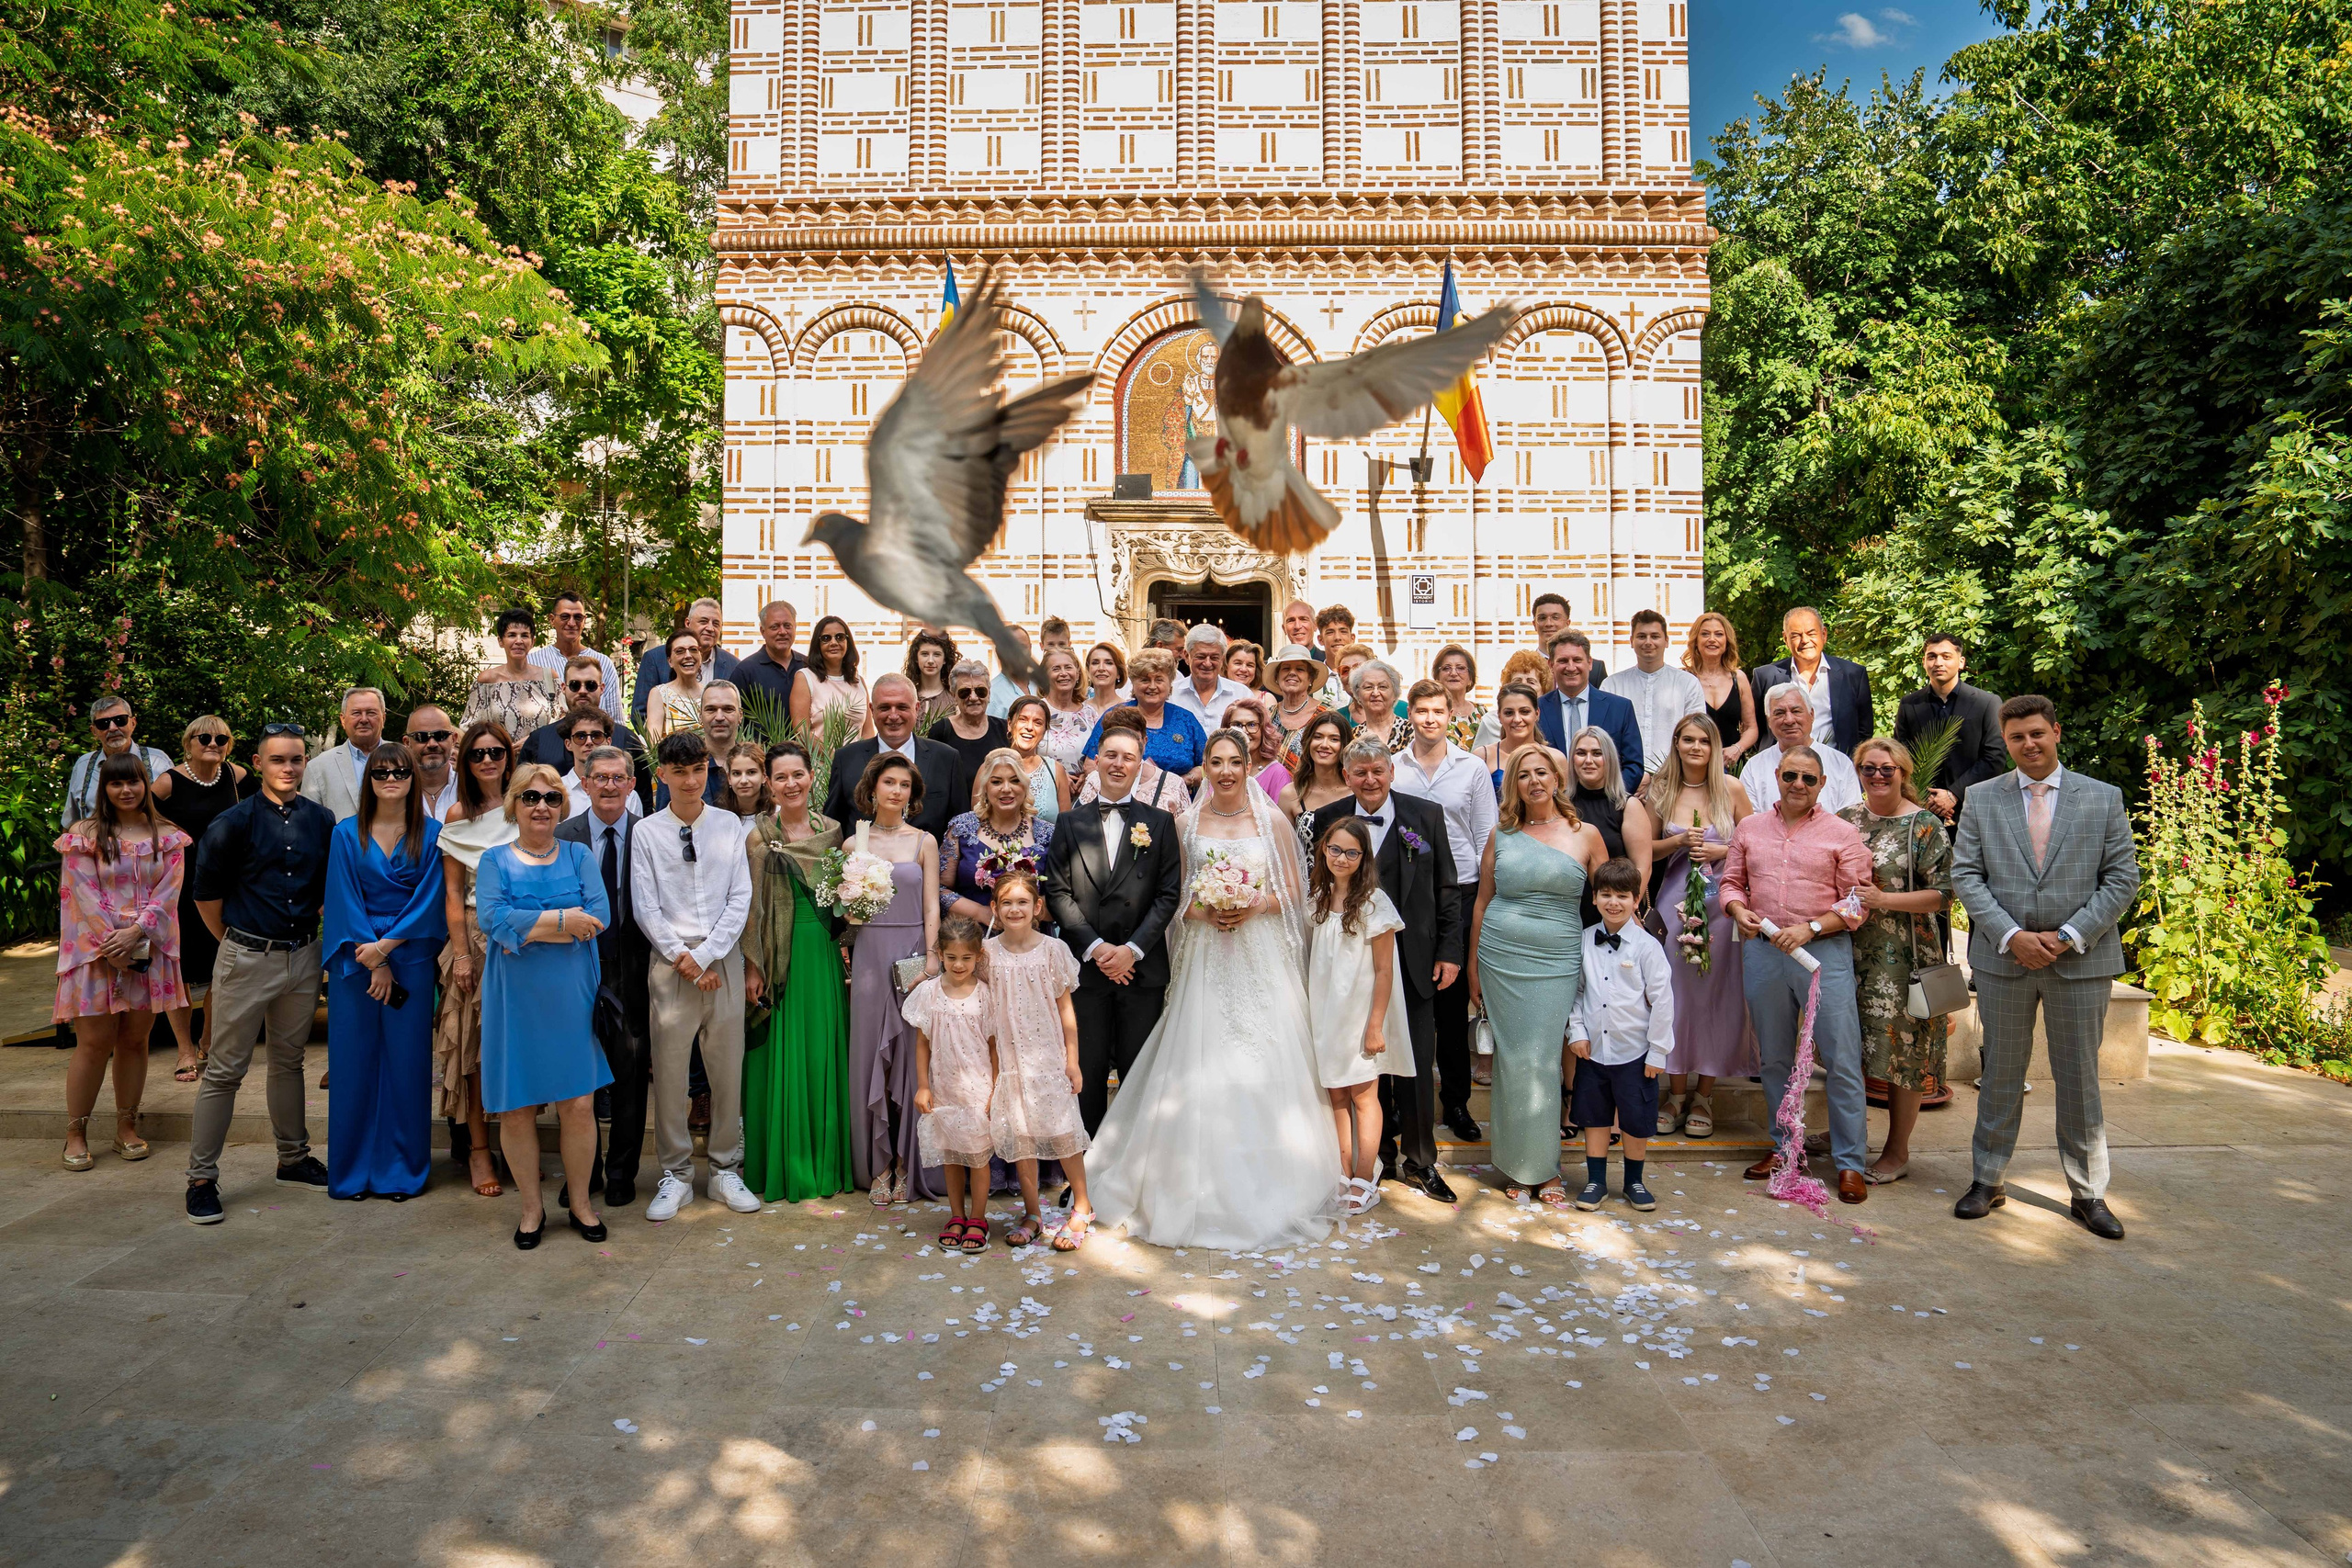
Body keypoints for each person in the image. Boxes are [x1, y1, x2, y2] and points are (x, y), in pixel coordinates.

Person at [1088, 730, 1347, 1248]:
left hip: (1259, 954)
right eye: (1216, 762)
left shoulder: (1271, 820)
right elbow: (1171, 895)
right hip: (1205, 952)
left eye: (1235, 762)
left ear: (1249, 766)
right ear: (1203, 767)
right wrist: (1202, 909)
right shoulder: (1184, 824)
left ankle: (1277, 1178)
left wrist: (1252, 905)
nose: (1226, 771)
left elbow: (1293, 894)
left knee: (1263, 1056)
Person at [1950, 695, 2140, 1240]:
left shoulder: (2102, 798)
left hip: (2079, 961)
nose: (2029, 744)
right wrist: (2011, 936)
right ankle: (1987, 1180)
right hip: (2004, 960)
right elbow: (1967, 875)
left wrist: (2067, 935)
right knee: (2001, 1075)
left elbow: (2121, 879)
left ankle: (2088, 1193)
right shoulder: (1983, 799)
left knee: (2079, 1079)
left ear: (2056, 731)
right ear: (2006, 742)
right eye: (2017, 738)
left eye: (2037, 733)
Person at [183, 722, 336, 1224]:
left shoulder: (323, 821)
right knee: (225, 1070)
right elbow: (205, 896)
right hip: (246, 956)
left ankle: (292, 1157)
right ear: (259, 762)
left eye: (296, 759)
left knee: (289, 1063)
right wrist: (233, 941)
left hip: (302, 957)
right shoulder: (232, 822)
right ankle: (201, 1178)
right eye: (278, 760)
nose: (288, 768)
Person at [1308, 736, 1464, 1203]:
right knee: (1356, 1072)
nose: (1370, 780)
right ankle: (1371, 1163)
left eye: (1378, 770)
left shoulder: (1425, 815)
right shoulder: (1327, 818)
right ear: (1347, 776)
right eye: (1360, 772)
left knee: (1412, 1066)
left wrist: (1450, 951)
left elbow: (1447, 888)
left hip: (1414, 961)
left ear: (1392, 772)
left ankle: (1421, 1163)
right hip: (1348, 970)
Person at [1718, 743, 1874, 1204]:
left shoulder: (1843, 834)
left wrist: (1811, 928)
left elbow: (1857, 901)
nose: (1799, 785)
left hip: (1824, 953)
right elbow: (1731, 881)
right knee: (1774, 1059)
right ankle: (1785, 1148)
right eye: (1790, 776)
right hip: (1764, 953)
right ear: (1777, 778)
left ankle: (1850, 1163)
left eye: (1808, 778)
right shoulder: (1749, 827)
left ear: (1822, 784)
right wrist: (1736, 908)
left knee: (1842, 1058)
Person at [476, 763, 614, 1247]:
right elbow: (491, 918)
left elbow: (598, 917)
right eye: (531, 797)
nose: (541, 807)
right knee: (517, 1108)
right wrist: (561, 918)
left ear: (563, 807)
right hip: (514, 1001)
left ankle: (580, 1205)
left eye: (552, 799)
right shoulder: (494, 860)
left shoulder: (579, 855)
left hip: (571, 997)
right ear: (514, 804)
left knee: (578, 1105)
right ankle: (531, 1210)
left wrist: (527, 925)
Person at [1469, 746, 1608, 1201]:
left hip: (1556, 959)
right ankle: (1515, 1165)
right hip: (1500, 955)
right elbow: (1483, 902)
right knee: (1511, 1061)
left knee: (1544, 1060)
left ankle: (1544, 1167)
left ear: (1557, 779)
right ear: (1514, 785)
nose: (1533, 781)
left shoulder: (1584, 833)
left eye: (1541, 772)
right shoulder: (1501, 834)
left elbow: (1611, 897)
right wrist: (1472, 964)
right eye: (1523, 774)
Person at [631, 733, 760, 1222]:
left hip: (720, 959)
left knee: (727, 1070)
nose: (690, 781)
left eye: (699, 770)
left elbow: (740, 897)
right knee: (668, 1074)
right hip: (670, 964)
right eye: (679, 772)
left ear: (710, 771)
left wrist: (707, 956)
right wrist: (682, 957)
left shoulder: (728, 825)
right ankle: (676, 1174)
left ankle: (726, 1168)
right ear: (662, 774)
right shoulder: (647, 831)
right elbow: (645, 905)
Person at [1040, 721, 1184, 1134]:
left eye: (1129, 758)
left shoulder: (1159, 823)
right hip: (1087, 970)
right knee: (1086, 1070)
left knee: (1138, 1071)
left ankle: (1133, 1168)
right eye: (1111, 756)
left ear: (1141, 765)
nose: (1119, 764)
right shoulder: (1071, 823)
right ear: (1096, 761)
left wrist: (1131, 950)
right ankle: (1085, 1169)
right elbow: (1058, 893)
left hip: (1142, 969)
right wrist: (1099, 949)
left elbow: (1167, 895)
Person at [322, 741, 447, 1200]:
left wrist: (387, 951)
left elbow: (431, 899)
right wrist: (370, 954)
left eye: (400, 772)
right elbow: (342, 895)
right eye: (381, 773)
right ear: (368, 780)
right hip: (355, 959)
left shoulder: (432, 834)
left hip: (409, 956)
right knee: (353, 1066)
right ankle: (351, 1172)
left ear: (413, 779)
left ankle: (401, 1171)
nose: (391, 779)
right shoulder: (344, 833)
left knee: (406, 1066)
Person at [55, 755, 189, 1169]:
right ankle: (75, 1134)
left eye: (133, 782)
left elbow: (170, 892)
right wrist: (114, 944)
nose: (126, 790)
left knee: (135, 1041)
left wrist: (137, 934)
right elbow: (81, 891)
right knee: (93, 1044)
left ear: (146, 784)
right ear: (104, 789)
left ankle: (126, 1128)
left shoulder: (167, 836)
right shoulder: (85, 835)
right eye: (117, 784)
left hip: (147, 951)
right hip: (96, 954)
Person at [739, 742, 854, 1203]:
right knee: (779, 1054)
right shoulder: (758, 836)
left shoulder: (833, 832)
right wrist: (753, 967)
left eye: (798, 775)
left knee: (819, 1050)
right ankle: (783, 1164)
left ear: (812, 777)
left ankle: (823, 1162)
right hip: (775, 956)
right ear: (769, 783)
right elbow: (751, 907)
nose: (790, 784)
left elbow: (843, 897)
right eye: (780, 777)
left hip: (821, 952)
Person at [1838, 738, 1954, 1185]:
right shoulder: (1846, 819)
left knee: (1903, 1052)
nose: (1878, 776)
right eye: (1869, 768)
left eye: (1887, 769)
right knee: (1847, 1047)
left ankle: (1897, 1149)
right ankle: (1847, 1133)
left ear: (1903, 773)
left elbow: (1945, 895)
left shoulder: (1923, 826)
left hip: (1902, 956)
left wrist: (1884, 898)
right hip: (1846, 949)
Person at [1640, 713, 1758, 1140]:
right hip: (1675, 906)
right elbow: (1644, 849)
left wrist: (1718, 849)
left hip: (1721, 906)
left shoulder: (1731, 789)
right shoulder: (1661, 790)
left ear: (1714, 747)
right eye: (1687, 740)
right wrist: (1678, 843)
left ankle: (1704, 1093)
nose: (1695, 748)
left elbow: (1756, 841)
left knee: (1716, 995)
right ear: (1676, 744)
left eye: (1703, 741)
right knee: (1677, 996)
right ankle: (1674, 1093)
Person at [1394, 680, 1498, 1138]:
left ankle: (1456, 1103)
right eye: (1422, 711)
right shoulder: (1393, 767)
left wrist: (1465, 889)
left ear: (1450, 715)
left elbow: (1485, 836)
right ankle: (1401, 1104)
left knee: (1452, 1009)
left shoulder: (1471, 768)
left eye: (1439, 710)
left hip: (1458, 893)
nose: (1430, 719)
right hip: (1407, 895)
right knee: (1407, 1002)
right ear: (1410, 715)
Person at [554, 745, 654, 1209]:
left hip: (635, 970)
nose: (610, 786)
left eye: (619, 778)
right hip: (577, 967)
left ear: (631, 785)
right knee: (579, 1078)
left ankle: (620, 1173)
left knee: (630, 1077)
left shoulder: (650, 834)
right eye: (601, 778)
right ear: (586, 784)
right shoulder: (562, 836)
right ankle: (584, 1171)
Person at [841, 751, 941, 1203]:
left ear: (911, 794)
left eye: (904, 785)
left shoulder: (925, 842)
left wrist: (933, 957)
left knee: (910, 1057)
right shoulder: (852, 844)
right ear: (873, 788)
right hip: (869, 954)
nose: (896, 791)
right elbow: (845, 910)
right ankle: (877, 1164)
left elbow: (933, 904)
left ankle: (908, 1161)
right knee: (869, 1056)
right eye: (889, 783)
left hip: (913, 952)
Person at [1306, 817, 1410, 1216]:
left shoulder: (1374, 903)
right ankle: (1344, 1171)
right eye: (1335, 849)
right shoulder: (1318, 895)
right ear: (1324, 849)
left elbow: (1384, 971)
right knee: (1335, 1092)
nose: (1341, 858)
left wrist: (1374, 1025)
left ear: (1363, 856)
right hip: (1326, 1009)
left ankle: (1367, 1177)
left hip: (1360, 1010)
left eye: (1352, 852)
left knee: (1364, 1095)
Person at [983, 869, 1092, 1249]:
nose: (1015, 909)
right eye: (1007, 903)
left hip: (1048, 1057)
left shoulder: (1053, 950)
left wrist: (1072, 1061)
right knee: (1022, 1136)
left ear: (1037, 907)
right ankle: (1032, 1212)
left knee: (1063, 1132)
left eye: (1023, 902)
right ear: (994, 908)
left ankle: (1081, 1206)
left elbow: (1066, 1012)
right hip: (1010, 1061)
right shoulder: (987, 955)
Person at [433, 719, 518, 1200]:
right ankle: (479, 1149)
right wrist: (461, 955)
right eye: (478, 754)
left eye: (496, 752)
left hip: (523, 940)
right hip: (476, 942)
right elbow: (450, 893)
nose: (488, 761)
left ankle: (516, 1145)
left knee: (513, 1047)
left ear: (509, 757)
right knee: (474, 1050)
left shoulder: (527, 803)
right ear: (464, 762)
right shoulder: (457, 815)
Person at [1566, 857, 1675, 1211]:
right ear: (1594, 898)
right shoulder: (1583, 941)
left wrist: (1658, 1051)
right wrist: (1577, 1033)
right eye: (1606, 895)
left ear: (1635, 899)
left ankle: (1634, 1182)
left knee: (1635, 1120)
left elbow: (1662, 1001)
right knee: (1595, 1118)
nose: (1614, 903)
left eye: (1623, 896)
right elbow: (1576, 993)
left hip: (1635, 1053)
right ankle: (1596, 1181)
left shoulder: (1648, 947)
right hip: (1593, 1052)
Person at [152, 716, 254, 1083]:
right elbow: (138, 811)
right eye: (204, 737)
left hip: (225, 885)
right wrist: (174, 832)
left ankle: (208, 1039)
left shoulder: (237, 776)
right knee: (176, 969)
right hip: (180, 885)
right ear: (188, 742)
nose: (213, 743)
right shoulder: (169, 780)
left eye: (221, 738)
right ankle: (183, 1049)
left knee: (222, 967)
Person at [905, 917, 998, 1250]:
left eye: (967, 958)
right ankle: (956, 1215)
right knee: (951, 1156)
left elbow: (993, 1046)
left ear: (979, 958)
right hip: (943, 1087)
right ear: (940, 954)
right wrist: (923, 1085)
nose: (959, 964)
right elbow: (922, 1044)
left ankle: (978, 1218)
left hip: (978, 1089)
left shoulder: (987, 996)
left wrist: (997, 1088)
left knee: (977, 1157)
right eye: (952, 957)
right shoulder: (928, 994)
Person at [823, 673, 962, 838]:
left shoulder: (947, 759)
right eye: (885, 708)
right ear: (872, 710)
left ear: (916, 709)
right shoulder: (846, 759)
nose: (893, 716)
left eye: (902, 707)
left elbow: (960, 825)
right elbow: (833, 826)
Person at [1893, 633, 2007, 824]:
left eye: (1946, 657)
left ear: (1961, 662)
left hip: (1974, 809)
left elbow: (1994, 758)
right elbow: (1900, 755)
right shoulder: (1910, 704)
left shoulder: (1986, 703)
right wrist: (1925, 796)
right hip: (1922, 808)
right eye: (1932, 656)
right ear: (1924, 662)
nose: (1938, 662)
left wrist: (1954, 795)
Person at [939, 749, 1057, 927]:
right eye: (996, 782)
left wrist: (1023, 915)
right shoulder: (962, 828)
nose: (1006, 789)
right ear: (985, 787)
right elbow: (939, 889)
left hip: (1031, 937)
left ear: (1025, 786)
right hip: (972, 938)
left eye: (1015, 781)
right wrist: (980, 912)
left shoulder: (1047, 833)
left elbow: (1061, 897)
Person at [1751, 605, 1872, 756]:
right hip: (1780, 767)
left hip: (1837, 766)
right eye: (1796, 635)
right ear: (1785, 639)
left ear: (1824, 634)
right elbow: (1756, 728)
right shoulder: (1766, 676)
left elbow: (1864, 732)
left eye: (1811, 633)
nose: (1805, 640)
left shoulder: (1853, 674)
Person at [1566, 726, 1655, 929]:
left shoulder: (1626, 806)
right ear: (1572, 760)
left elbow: (1643, 867)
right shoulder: (1560, 805)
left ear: (1610, 759)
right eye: (1581, 753)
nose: (1589, 760)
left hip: (1614, 915)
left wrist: (1623, 909)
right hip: (1568, 914)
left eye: (1597, 753)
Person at [1080, 649, 1207, 788]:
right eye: (1145, 680)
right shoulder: (1116, 716)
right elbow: (1091, 764)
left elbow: (1206, 765)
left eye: (1159, 680)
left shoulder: (1186, 720)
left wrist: (1184, 781)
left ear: (1169, 684)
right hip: (1124, 802)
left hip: (1176, 802)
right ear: (1133, 684)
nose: (1152, 686)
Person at [1603, 608, 1706, 777]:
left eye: (1655, 636)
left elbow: (1698, 733)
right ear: (1631, 641)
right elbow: (1604, 738)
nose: (1648, 642)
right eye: (1642, 636)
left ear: (1666, 641)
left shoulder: (1687, 683)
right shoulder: (1612, 685)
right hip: (1623, 780)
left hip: (1674, 778)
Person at [1538, 632, 1644, 795]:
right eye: (1563, 661)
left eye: (1577, 660)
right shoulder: (1537, 710)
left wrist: (1610, 799)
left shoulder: (1620, 708)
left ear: (1590, 663)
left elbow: (1633, 765)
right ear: (1551, 665)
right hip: (1552, 807)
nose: (1571, 667)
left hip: (1608, 808)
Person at [1739, 684, 1864, 813]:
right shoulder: (1754, 768)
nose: (1789, 720)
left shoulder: (1840, 764)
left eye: (1796, 711)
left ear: (1811, 715)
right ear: (1769, 721)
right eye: (1779, 713)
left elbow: (1850, 819)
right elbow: (1749, 823)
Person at [630, 597, 741, 729]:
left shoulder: (733, 665)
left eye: (716, 624)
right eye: (704, 621)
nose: (710, 628)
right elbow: (640, 715)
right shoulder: (655, 658)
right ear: (688, 623)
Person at [520, 658, 646, 774]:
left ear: (601, 689)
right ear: (563, 688)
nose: (582, 691)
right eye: (575, 685)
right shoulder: (539, 740)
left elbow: (642, 796)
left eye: (590, 685)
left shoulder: (626, 739)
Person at [62, 695, 173, 827]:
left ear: (133, 723)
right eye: (103, 724)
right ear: (94, 731)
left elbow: (177, 813)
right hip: (95, 844)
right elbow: (70, 822)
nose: (113, 728)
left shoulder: (158, 762)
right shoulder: (83, 765)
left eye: (120, 720)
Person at [1073, 705, 1192, 816]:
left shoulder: (1173, 784)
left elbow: (1183, 833)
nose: (1125, 745)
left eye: (1132, 738)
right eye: (1118, 738)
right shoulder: (1095, 780)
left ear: (1145, 741)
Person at [465, 610, 560, 746]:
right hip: (500, 761)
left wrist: (533, 740)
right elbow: (471, 728)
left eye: (525, 635)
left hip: (542, 761)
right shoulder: (487, 681)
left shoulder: (548, 677)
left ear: (533, 641)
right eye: (511, 635)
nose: (519, 641)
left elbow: (563, 722)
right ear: (500, 641)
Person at [526, 592, 622, 724]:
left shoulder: (603, 663)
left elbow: (615, 720)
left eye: (577, 617)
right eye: (565, 616)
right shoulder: (533, 662)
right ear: (552, 619)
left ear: (584, 620)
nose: (571, 623)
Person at [930, 657, 1011, 808]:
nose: (973, 697)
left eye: (980, 691)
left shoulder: (1004, 729)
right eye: (964, 692)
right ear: (954, 696)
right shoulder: (941, 731)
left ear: (989, 694)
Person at [300, 687, 390, 821]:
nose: (364, 719)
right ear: (343, 719)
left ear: (383, 718)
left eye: (371, 713)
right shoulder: (318, 767)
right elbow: (309, 823)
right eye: (356, 713)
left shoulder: (405, 759)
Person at [1686, 611, 1760, 767]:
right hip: (1693, 766)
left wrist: (1737, 749)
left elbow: (1751, 727)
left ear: (1727, 641)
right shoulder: (1684, 679)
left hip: (1731, 765)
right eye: (1705, 634)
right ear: (1696, 641)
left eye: (1718, 634)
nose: (1712, 639)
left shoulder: (1738, 678)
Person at [792, 614, 874, 741]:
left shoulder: (858, 681)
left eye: (840, 637)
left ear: (848, 642)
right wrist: (833, 757)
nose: (834, 642)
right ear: (817, 644)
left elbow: (868, 732)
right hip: (820, 760)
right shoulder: (805, 678)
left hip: (857, 760)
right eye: (826, 638)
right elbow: (801, 730)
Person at [1276, 710, 1353, 828]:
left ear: (1345, 745)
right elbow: (1285, 844)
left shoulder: (1356, 791)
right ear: (1308, 742)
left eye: (1334, 739)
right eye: (1318, 737)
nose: (1324, 745)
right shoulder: (1290, 794)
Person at [557, 711, 640, 818]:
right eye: (580, 737)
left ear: (608, 742)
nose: (589, 742)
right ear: (568, 744)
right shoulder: (557, 791)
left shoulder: (628, 795)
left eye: (596, 736)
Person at [732, 599, 809, 715]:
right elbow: (733, 714)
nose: (782, 632)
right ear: (763, 631)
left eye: (787, 626)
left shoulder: (808, 666)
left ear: (795, 628)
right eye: (775, 627)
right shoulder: (745, 671)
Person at [1002, 695, 1071, 824]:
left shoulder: (1055, 771)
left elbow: (1066, 829)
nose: (1029, 727)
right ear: (1010, 724)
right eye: (1023, 719)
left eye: (1038, 722)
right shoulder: (990, 768)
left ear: (1045, 730)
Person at [1266, 643, 1332, 773]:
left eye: (1300, 669)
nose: (1292, 673)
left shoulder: (1326, 716)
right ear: (1277, 678)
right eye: (1285, 668)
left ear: (1310, 678)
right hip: (1268, 792)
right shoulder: (1266, 716)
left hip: (1311, 791)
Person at [1171, 623, 1250, 728]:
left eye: (1214, 657)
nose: (1207, 663)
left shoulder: (1241, 694)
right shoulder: (1171, 695)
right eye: (1201, 657)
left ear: (1222, 659)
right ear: (1186, 656)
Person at [641, 628, 708, 746]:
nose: (688, 655)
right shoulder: (660, 694)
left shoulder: (710, 693)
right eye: (680, 651)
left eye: (693, 650)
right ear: (670, 661)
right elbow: (652, 745)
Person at [1471, 651, 1553, 750]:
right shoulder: (1490, 721)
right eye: (1517, 681)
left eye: (1531, 682)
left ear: (1543, 689)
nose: (1523, 685)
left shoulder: (1551, 719)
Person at [1037, 649, 1098, 777]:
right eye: (1056, 669)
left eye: (1068, 667)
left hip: (1083, 789)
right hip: (1048, 789)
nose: (1063, 673)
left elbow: (1099, 754)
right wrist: (1059, 777)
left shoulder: (1090, 714)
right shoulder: (1036, 710)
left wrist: (1087, 775)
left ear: (1077, 674)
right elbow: (1025, 757)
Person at [1476, 682, 1544, 795]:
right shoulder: (1483, 756)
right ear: (1499, 716)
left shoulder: (1554, 757)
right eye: (1509, 713)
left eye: (1524, 712)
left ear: (1537, 714)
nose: (1517, 719)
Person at [1220, 694, 1289, 800]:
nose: (1244, 731)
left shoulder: (1277, 772)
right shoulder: (1219, 769)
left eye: (1252, 725)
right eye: (1237, 725)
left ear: (1263, 730)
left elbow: (1282, 815)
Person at [401, 705, 462, 821]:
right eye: (421, 737)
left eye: (440, 736)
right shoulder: (395, 792)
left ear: (453, 740)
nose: (432, 744)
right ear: (407, 743)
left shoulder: (471, 787)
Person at [1529, 592, 1608, 681]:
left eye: (1555, 617)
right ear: (1534, 624)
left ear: (1567, 623)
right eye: (1542, 618)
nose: (1549, 623)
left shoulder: (1595, 669)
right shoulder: (1523, 666)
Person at [1430, 644, 1486, 751]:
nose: (1454, 673)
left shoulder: (1481, 712)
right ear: (1437, 677)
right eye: (1447, 668)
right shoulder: (1431, 712)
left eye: (1460, 668)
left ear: (1470, 677)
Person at [904, 627, 959, 731]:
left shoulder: (954, 699)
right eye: (924, 654)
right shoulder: (906, 696)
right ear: (916, 658)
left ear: (944, 659)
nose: (930, 661)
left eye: (937, 654)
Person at [1350, 659, 1409, 750]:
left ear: (1395, 693)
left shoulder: (1411, 731)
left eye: (1383, 687)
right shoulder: (1351, 737)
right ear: (1358, 694)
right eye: (1368, 687)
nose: (1376, 693)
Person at [1312, 604, 1358, 705]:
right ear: (1320, 639)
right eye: (1330, 632)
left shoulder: (1364, 675)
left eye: (1343, 631)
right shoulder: (1312, 679)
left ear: (1352, 638)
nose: (1337, 637)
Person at [987, 626, 1035, 717]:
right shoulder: (991, 694)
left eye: (1022, 647)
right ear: (998, 652)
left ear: (1030, 648)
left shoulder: (1042, 686)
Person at [1280, 599, 1324, 677]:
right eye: (1291, 620)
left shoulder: (1329, 663)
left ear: (1315, 625)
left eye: (1303, 619)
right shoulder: (1275, 667)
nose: (1297, 626)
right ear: (1284, 629)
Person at [1082, 641, 1130, 714]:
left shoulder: (1129, 711)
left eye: (1109, 663)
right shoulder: (1079, 711)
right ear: (1088, 671)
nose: (1101, 668)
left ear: (1119, 672)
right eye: (1095, 663)